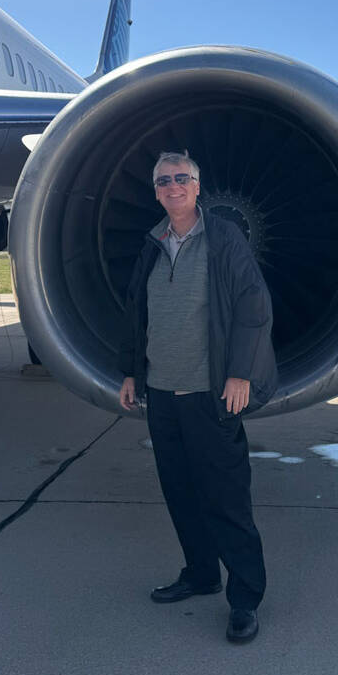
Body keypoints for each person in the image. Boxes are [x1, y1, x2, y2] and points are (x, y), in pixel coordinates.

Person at [118, 150, 278, 644]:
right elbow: (136, 310)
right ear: (157, 190)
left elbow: (254, 307)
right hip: (163, 394)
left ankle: (245, 598)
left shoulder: (223, 238)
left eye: (181, 178)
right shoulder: (154, 241)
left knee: (226, 499)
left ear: (197, 186)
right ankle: (201, 573)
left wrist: (240, 373)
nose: (173, 186)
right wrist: (131, 373)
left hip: (210, 393)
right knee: (181, 492)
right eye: (164, 181)